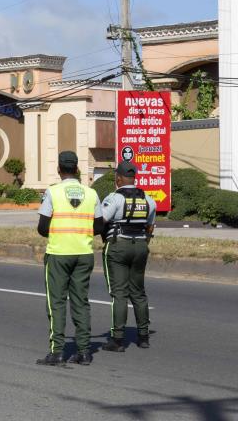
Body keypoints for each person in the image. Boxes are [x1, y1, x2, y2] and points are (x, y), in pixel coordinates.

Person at [36, 151, 103, 366]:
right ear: (76, 169)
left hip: (58, 253)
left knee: (56, 303)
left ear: (59, 169)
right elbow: (100, 225)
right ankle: (84, 352)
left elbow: (42, 227)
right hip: (83, 253)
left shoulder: (53, 192)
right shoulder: (91, 193)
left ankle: (57, 352)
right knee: (81, 302)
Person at [100, 161, 156, 352]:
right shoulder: (148, 199)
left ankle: (117, 339)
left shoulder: (114, 198)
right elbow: (150, 226)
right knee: (138, 292)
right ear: (134, 178)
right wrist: (143, 242)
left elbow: (102, 220)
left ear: (118, 178)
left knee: (119, 293)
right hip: (140, 246)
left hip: (118, 246)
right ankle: (143, 336)